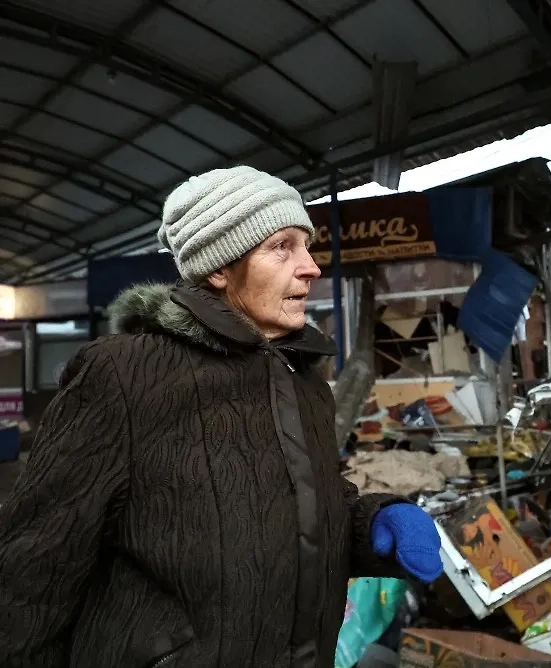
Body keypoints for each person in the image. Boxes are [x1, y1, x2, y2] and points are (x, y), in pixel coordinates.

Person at [0, 166, 444, 668]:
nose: (311, 267)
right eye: (282, 246)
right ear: (219, 269)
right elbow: (34, 570)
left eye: (306, 244)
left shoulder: (303, 379)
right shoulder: (123, 374)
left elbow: (299, 503)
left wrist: (371, 522)